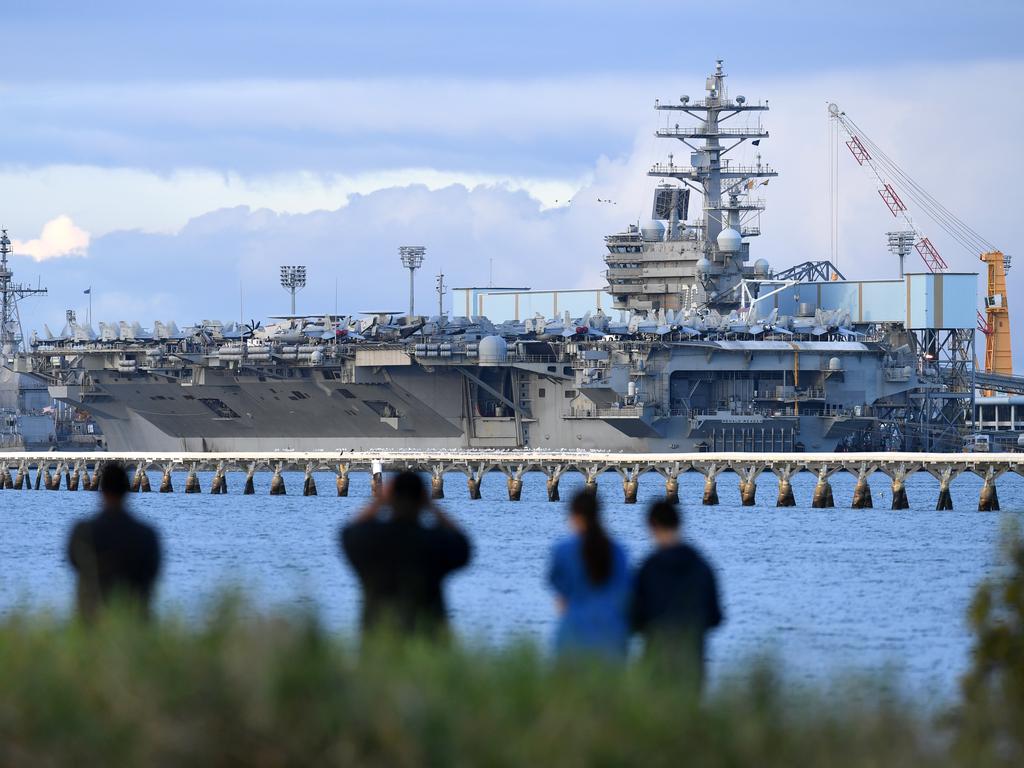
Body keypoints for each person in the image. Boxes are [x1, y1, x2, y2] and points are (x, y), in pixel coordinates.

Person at [341, 471, 471, 637]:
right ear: (421, 500)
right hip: (427, 645)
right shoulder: (434, 542)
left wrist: (379, 501)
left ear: (390, 498)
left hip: (378, 645)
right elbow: (464, 544)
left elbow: (348, 531)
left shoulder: (370, 541)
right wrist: (432, 505)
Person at [631, 500, 723, 689]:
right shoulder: (702, 566)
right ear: (680, 523)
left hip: (656, 659)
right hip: (692, 661)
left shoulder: (649, 567)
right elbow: (715, 618)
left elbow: (635, 620)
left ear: (651, 525)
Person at [67, 461, 162, 620]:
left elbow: (74, 564)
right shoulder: (147, 534)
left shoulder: (82, 531)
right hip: (135, 619)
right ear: (127, 490)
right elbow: (153, 573)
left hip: (92, 617)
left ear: (101, 490)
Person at [548, 489, 631, 660]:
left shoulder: (562, 550)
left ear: (573, 516)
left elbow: (560, 600)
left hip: (573, 634)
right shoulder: (619, 552)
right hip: (612, 635)